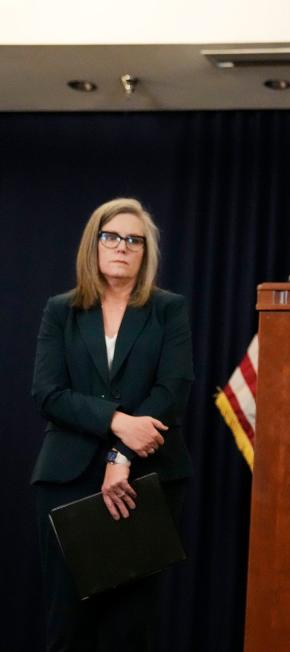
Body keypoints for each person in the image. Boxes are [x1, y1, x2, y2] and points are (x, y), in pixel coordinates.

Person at [31, 197, 193, 651]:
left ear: (145, 252)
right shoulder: (61, 311)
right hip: (67, 480)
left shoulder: (168, 309)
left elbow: (173, 388)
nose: (121, 247)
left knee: (130, 629)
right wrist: (119, 424)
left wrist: (120, 457)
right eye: (111, 237)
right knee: (68, 628)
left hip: (148, 478)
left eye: (133, 240)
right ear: (94, 245)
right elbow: (47, 393)